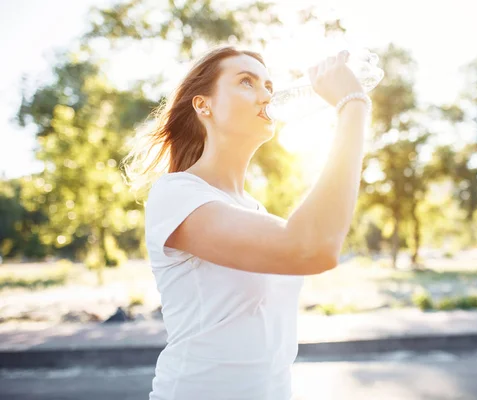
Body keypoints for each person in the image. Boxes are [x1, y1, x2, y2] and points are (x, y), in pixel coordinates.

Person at [132, 45, 371, 399]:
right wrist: (353, 105)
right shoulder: (176, 194)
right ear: (204, 105)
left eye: (269, 86)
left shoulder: (256, 213)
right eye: (247, 82)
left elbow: (315, 241)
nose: (265, 95)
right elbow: (310, 248)